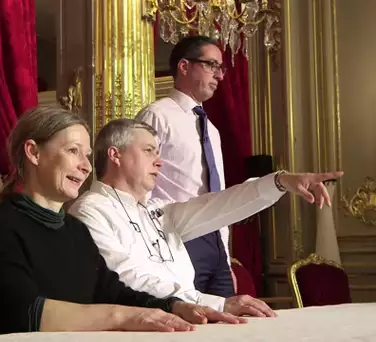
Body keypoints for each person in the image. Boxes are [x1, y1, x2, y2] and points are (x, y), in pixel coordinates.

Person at [0, 107, 240, 338]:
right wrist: (124, 317)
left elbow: (113, 292)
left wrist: (176, 306)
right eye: (73, 151)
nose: (87, 166)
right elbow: (25, 312)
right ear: (33, 152)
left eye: (88, 156)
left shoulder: (74, 230)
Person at [68, 119, 342, 315]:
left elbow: (221, 206)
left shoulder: (159, 211)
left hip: (187, 320)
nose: (159, 161)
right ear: (115, 155)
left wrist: (280, 182)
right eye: (149, 150)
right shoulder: (90, 210)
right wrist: (215, 303)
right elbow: (126, 278)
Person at [135, 35, 236, 297]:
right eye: (211, 65)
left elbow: (218, 193)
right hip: (178, 238)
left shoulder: (212, 130)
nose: (219, 76)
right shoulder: (157, 116)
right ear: (184, 66)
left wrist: (224, 254)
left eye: (220, 68)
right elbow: (138, 185)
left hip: (215, 246)